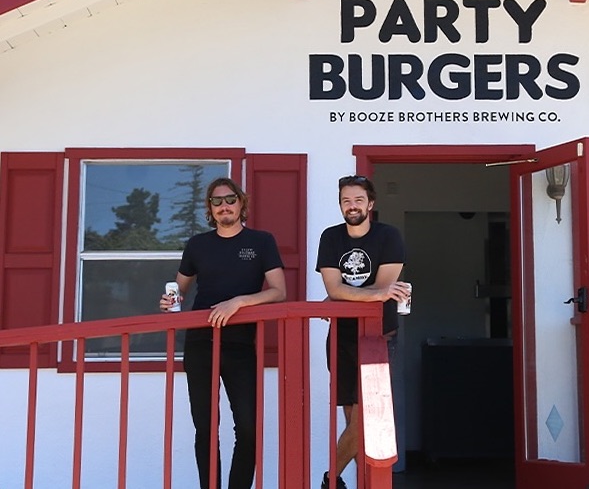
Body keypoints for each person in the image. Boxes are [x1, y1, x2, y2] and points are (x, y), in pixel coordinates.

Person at [160, 177, 286, 489]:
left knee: (247, 427)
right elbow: (180, 289)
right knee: (205, 428)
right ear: (210, 209)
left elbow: (279, 291)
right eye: (216, 202)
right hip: (201, 342)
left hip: (240, 343)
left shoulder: (261, 241)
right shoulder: (198, 245)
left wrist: (240, 301)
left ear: (242, 203)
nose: (224, 206)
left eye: (230, 199)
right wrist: (169, 300)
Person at [315, 175, 410, 489]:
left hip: (377, 336)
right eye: (346, 200)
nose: (351, 206)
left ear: (370, 204)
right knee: (352, 419)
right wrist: (366, 294)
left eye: (358, 200)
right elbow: (337, 287)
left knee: (366, 419)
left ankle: (330, 479)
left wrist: (344, 294)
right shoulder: (330, 238)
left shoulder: (388, 236)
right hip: (341, 336)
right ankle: (361, 484)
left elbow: (385, 287)